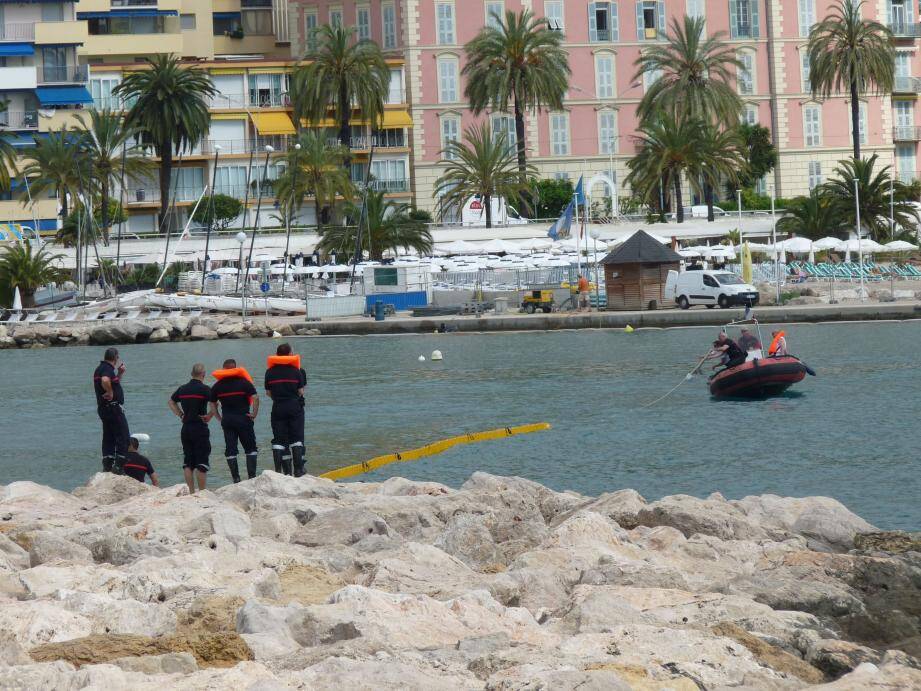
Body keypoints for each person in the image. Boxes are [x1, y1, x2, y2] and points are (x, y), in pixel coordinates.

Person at [209, 358, 260, 482]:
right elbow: (256, 397)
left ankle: (236, 479)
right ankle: (251, 478)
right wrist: (254, 413)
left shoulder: (217, 386)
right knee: (250, 448)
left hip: (228, 420)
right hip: (244, 418)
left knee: (230, 449)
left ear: (224, 369)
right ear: (235, 368)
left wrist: (219, 418)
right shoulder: (244, 383)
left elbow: (212, 404)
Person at [168, 363, 212, 494]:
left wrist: (181, 414)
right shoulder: (205, 389)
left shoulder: (182, 389)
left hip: (186, 427)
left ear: (191, 374)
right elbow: (215, 403)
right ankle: (202, 492)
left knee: (188, 462)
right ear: (203, 375)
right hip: (199, 427)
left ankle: (192, 492)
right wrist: (209, 415)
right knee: (202, 462)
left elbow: (171, 402)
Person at [264, 343, 307, 477]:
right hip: (294, 406)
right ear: (289, 354)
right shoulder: (297, 371)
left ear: (277, 355)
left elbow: (268, 393)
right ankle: (299, 470)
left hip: (278, 407)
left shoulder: (269, 372)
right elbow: (300, 391)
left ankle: (283, 472)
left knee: (279, 439)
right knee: (297, 437)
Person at [93, 347, 129, 474]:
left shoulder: (100, 368)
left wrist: (119, 374)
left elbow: (111, 382)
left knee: (109, 436)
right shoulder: (107, 369)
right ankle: (119, 467)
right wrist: (110, 392)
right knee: (123, 436)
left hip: (103, 408)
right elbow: (105, 380)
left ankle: (107, 465)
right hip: (113, 407)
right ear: (115, 358)